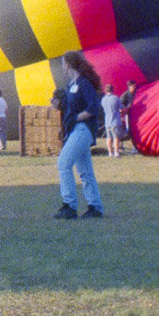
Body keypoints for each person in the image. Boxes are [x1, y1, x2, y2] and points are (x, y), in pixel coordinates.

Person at [54, 52, 105, 220]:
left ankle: (69, 205)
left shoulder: (84, 83)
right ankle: (95, 207)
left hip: (83, 129)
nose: (62, 66)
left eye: (63, 63)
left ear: (69, 64)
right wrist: (59, 105)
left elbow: (93, 107)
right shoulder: (71, 85)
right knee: (85, 171)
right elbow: (70, 108)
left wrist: (77, 118)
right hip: (75, 130)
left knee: (63, 163)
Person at [100, 83, 124, 158]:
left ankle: (110, 153)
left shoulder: (103, 99)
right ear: (113, 90)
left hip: (107, 122)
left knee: (109, 138)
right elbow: (122, 108)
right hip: (115, 121)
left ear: (105, 90)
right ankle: (116, 152)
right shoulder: (116, 98)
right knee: (116, 138)